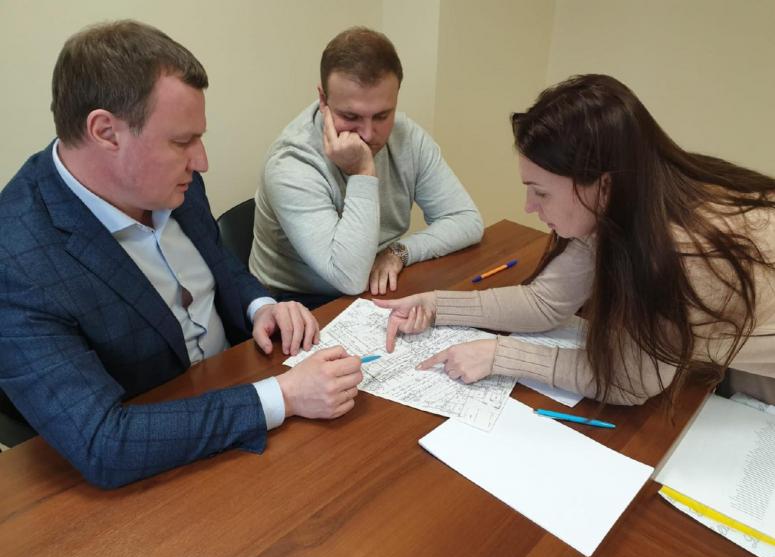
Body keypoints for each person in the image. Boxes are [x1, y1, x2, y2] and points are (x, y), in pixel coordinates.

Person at [0, 21, 362, 488]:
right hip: (161, 467)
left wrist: (260, 306)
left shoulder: (175, 180)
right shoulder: (16, 258)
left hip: (242, 393)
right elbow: (104, 442)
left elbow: (217, 262)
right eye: (181, 142)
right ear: (106, 132)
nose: (202, 161)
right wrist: (283, 397)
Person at [376, 74, 775, 406]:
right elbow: (546, 302)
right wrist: (435, 304)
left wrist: (501, 355)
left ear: (602, 185)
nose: (529, 207)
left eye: (541, 193)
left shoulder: (682, 252)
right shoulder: (622, 198)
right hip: (724, 351)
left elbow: (629, 381)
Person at [249, 27, 483, 309]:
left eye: (382, 115)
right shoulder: (290, 163)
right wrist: (362, 173)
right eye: (351, 116)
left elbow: (466, 219)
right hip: (295, 302)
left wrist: (399, 252)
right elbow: (348, 277)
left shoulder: (406, 136)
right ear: (323, 99)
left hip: (375, 282)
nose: (368, 134)